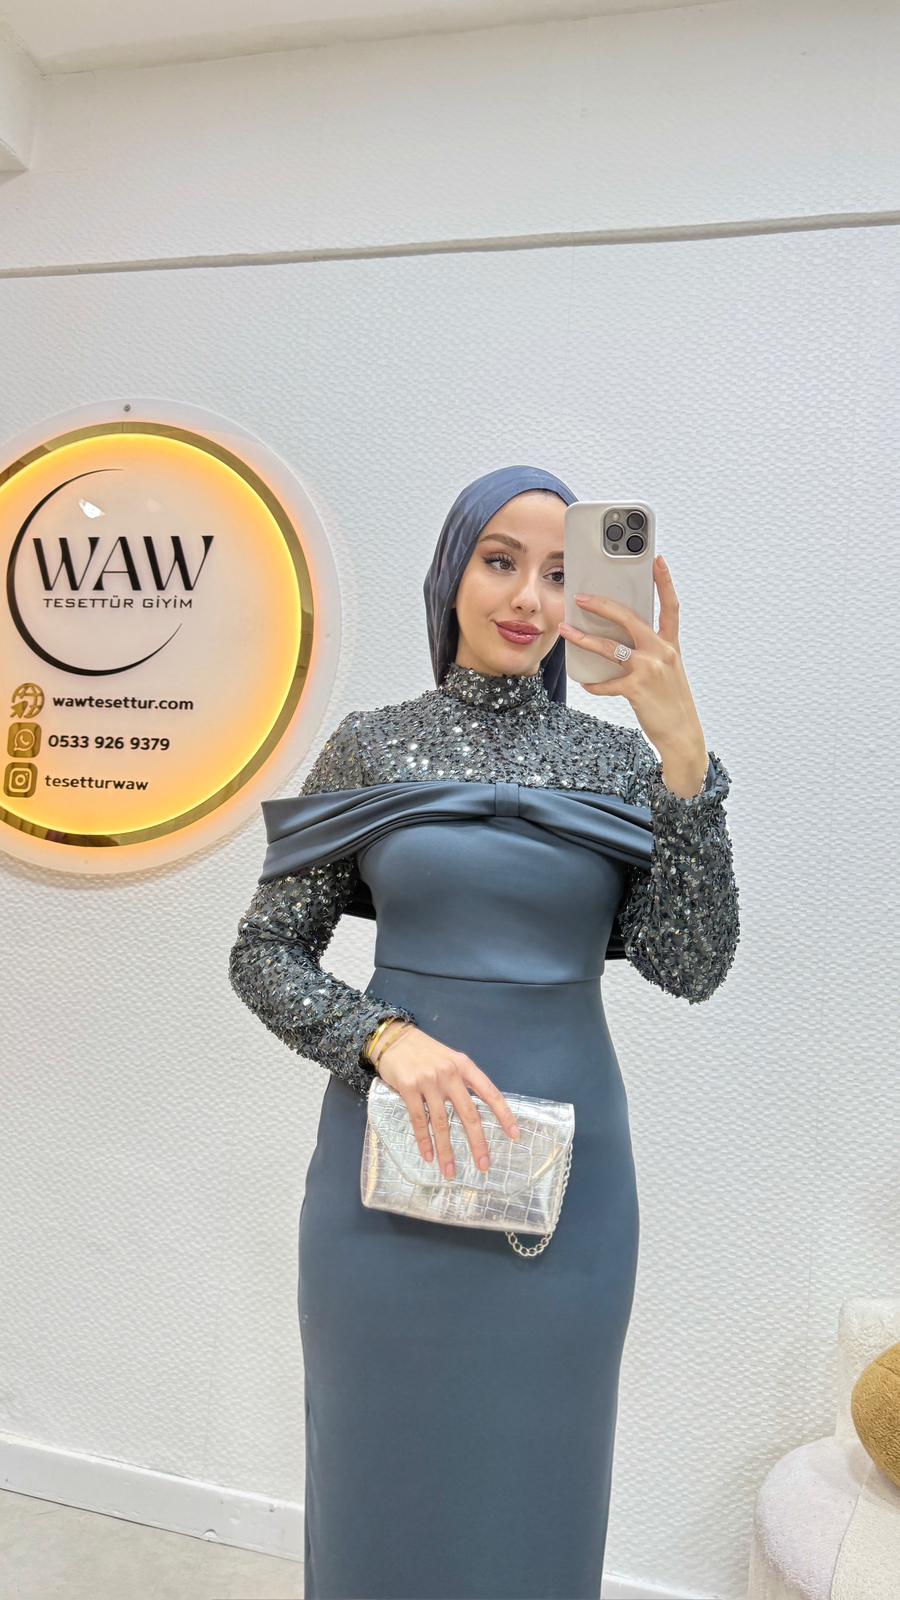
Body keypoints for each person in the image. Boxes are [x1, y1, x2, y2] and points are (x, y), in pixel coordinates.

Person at [228, 464, 740, 1600]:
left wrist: (684, 761)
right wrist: (382, 1038)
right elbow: (262, 952)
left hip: (569, 1200)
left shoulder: (620, 764)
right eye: (500, 560)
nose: (527, 597)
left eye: (560, 572)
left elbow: (693, 965)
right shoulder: (372, 746)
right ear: (452, 572)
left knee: (537, 1482)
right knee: (377, 1474)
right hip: (382, 1190)